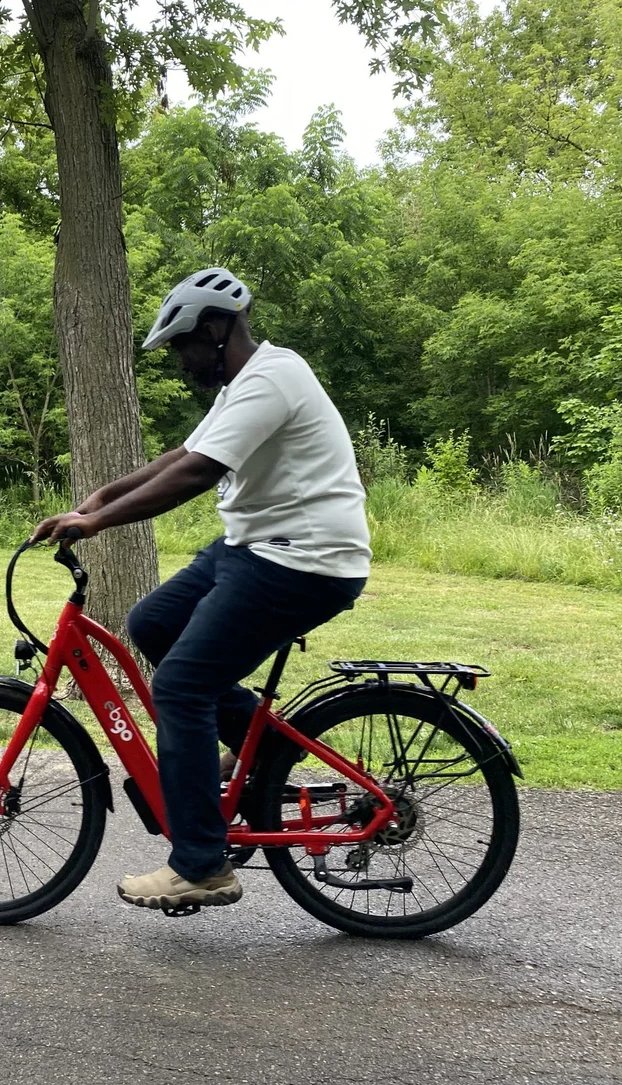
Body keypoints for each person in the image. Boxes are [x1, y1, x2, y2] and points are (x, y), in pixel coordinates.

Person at [33, 267, 371, 913]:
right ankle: (263, 750)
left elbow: (196, 471)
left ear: (215, 330)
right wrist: (103, 494)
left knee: (180, 686)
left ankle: (199, 864)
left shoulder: (272, 378)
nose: (181, 361)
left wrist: (99, 521)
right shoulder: (245, 382)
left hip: (305, 559)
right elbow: (182, 451)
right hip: (257, 546)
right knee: (153, 622)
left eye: (184, 345)